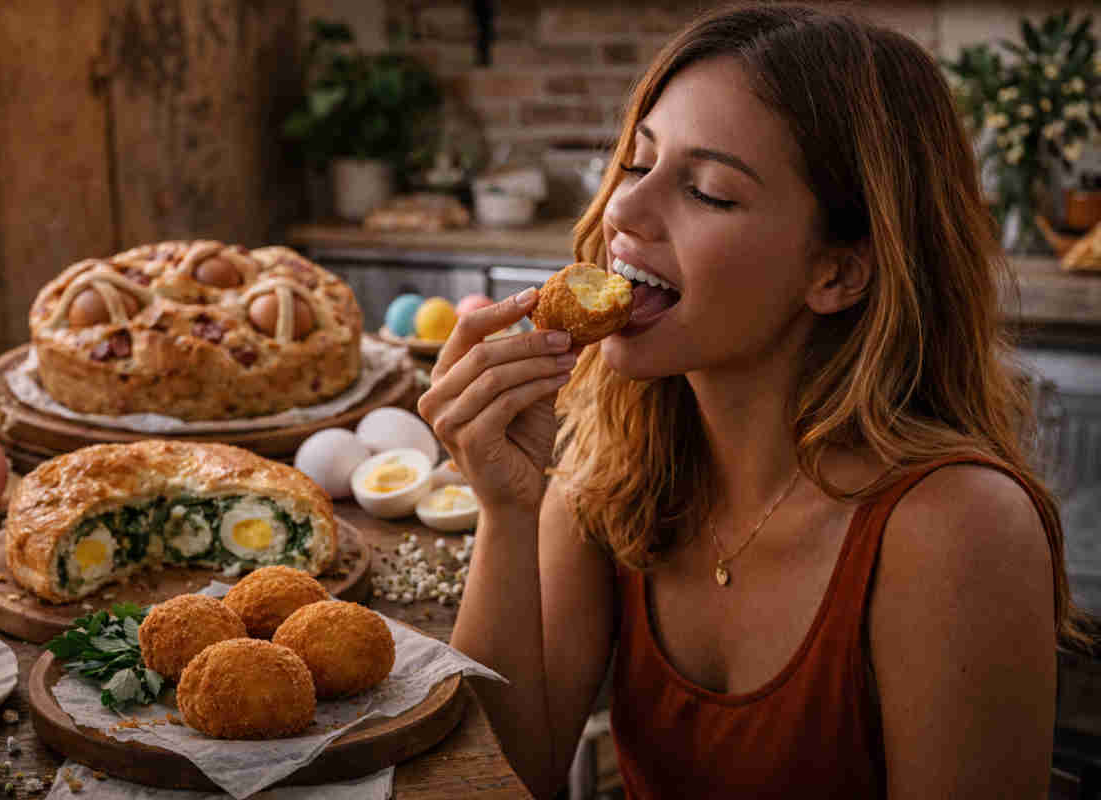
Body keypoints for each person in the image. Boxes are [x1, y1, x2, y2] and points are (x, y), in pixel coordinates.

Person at [417, 3, 1089, 798]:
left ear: (838, 273)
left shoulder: (956, 528)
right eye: (637, 165)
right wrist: (505, 508)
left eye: (707, 192)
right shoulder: (614, 468)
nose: (622, 212)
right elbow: (499, 775)